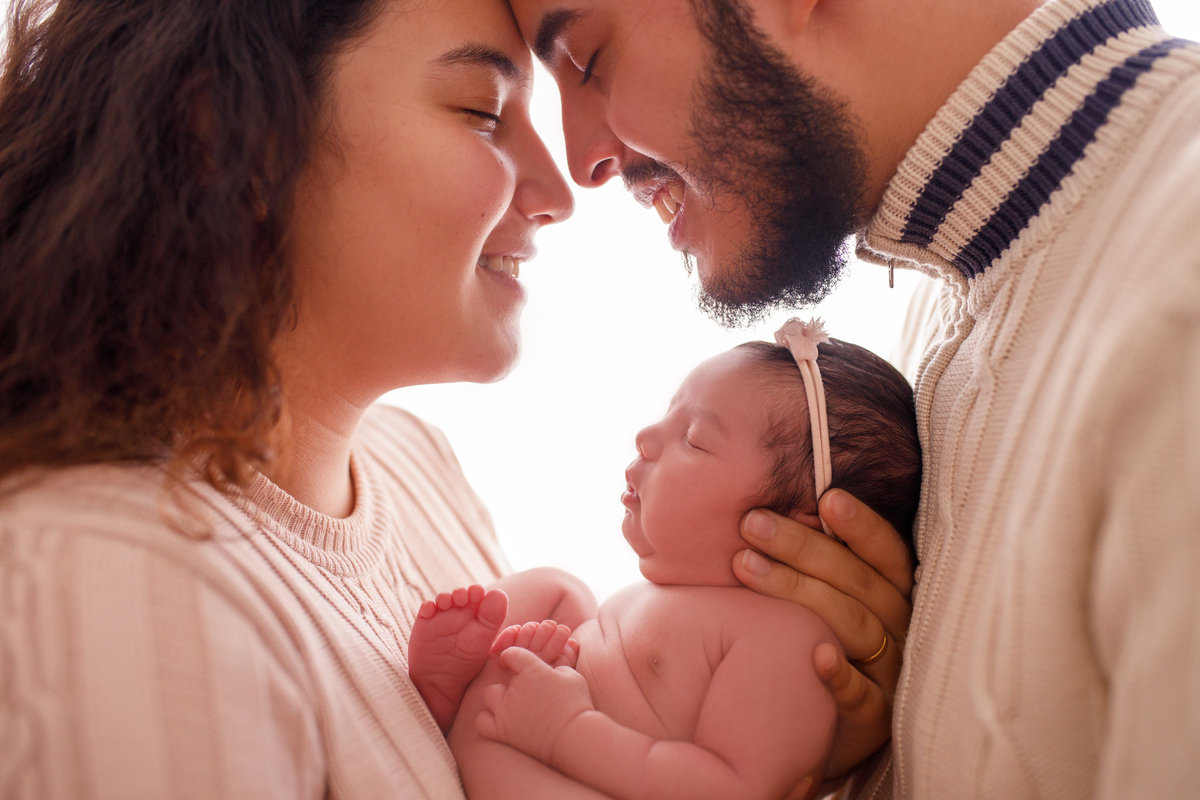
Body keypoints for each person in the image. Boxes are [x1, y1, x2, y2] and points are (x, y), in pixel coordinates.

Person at [505, 0, 1200, 796]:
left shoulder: (1180, 280)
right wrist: (846, 745)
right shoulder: (947, 313)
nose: (582, 159)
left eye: (590, 60)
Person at [0, 0, 577, 796]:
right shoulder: (108, 583)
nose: (558, 191)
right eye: (482, 112)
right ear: (232, 143)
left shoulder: (413, 463)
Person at [411, 322, 922, 800]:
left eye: (695, 439)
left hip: (565, 766)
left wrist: (567, 732)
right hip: (533, 708)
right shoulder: (679, 594)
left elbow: (731, 787)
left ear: (796, 524)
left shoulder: (790, 642)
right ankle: (461, 676)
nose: (646, 436)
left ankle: (465, 704)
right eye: (667, 414)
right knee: (559, 588)